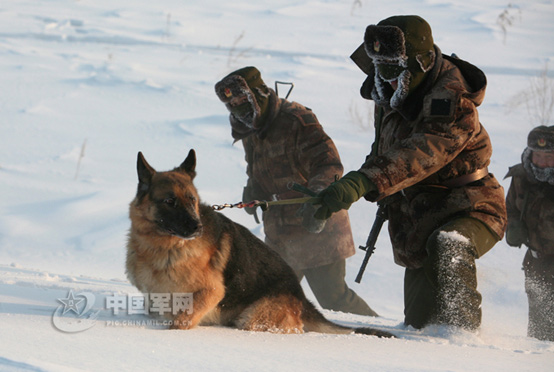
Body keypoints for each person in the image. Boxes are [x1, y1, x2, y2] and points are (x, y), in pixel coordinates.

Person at [314, 15, 507, 330]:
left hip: (470, 205)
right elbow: (384, 153)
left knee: (450, 245)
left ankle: (467, 343)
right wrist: (343, 190)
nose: (387, 79)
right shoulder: (389, 93)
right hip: (416, 219)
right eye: (380, 68)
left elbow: (424, 150)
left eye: (395, 69)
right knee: (419, 326)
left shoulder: (452, 97)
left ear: (422, 62)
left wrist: (364, 181)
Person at [215, 66, 378, 316]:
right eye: (232, 103)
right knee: (267, 295)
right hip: (281, 233)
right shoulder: (249, 128)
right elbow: (257, 168)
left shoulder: (296, 120)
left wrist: (317, 200)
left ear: (257, 94)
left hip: (318, 225)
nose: (238, 106)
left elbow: (329, 165)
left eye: (242, 99)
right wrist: (253, 190)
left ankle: (380, 340)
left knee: (333, 297)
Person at [504, 125, 554, 342]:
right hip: (536, 259)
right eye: (538, 155)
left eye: (549, 156)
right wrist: (514, 225)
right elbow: (510, 208)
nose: (541, 161)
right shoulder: (521, 176)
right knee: (539, 330)